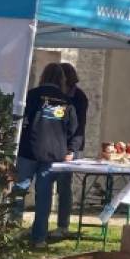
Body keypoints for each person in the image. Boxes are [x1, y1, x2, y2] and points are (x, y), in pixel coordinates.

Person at [17, 62, 79, 249]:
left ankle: (10, 230)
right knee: (44, 196)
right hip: (54, 153)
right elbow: (72, 128)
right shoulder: (66, 100)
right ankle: (39, 238)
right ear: (61, 79)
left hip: (29, 149)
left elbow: (20, 118)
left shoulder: (32, 95)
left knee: (19, 191)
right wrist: (67, 147)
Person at [48, 62, 91, 241]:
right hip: (50, 145)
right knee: (45, 183)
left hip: (68, 147)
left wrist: (72, 149)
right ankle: (42, 222)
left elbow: (79, 127)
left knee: (64, 187)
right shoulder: (53, 95)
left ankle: (62, 225)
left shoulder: (79, 98)